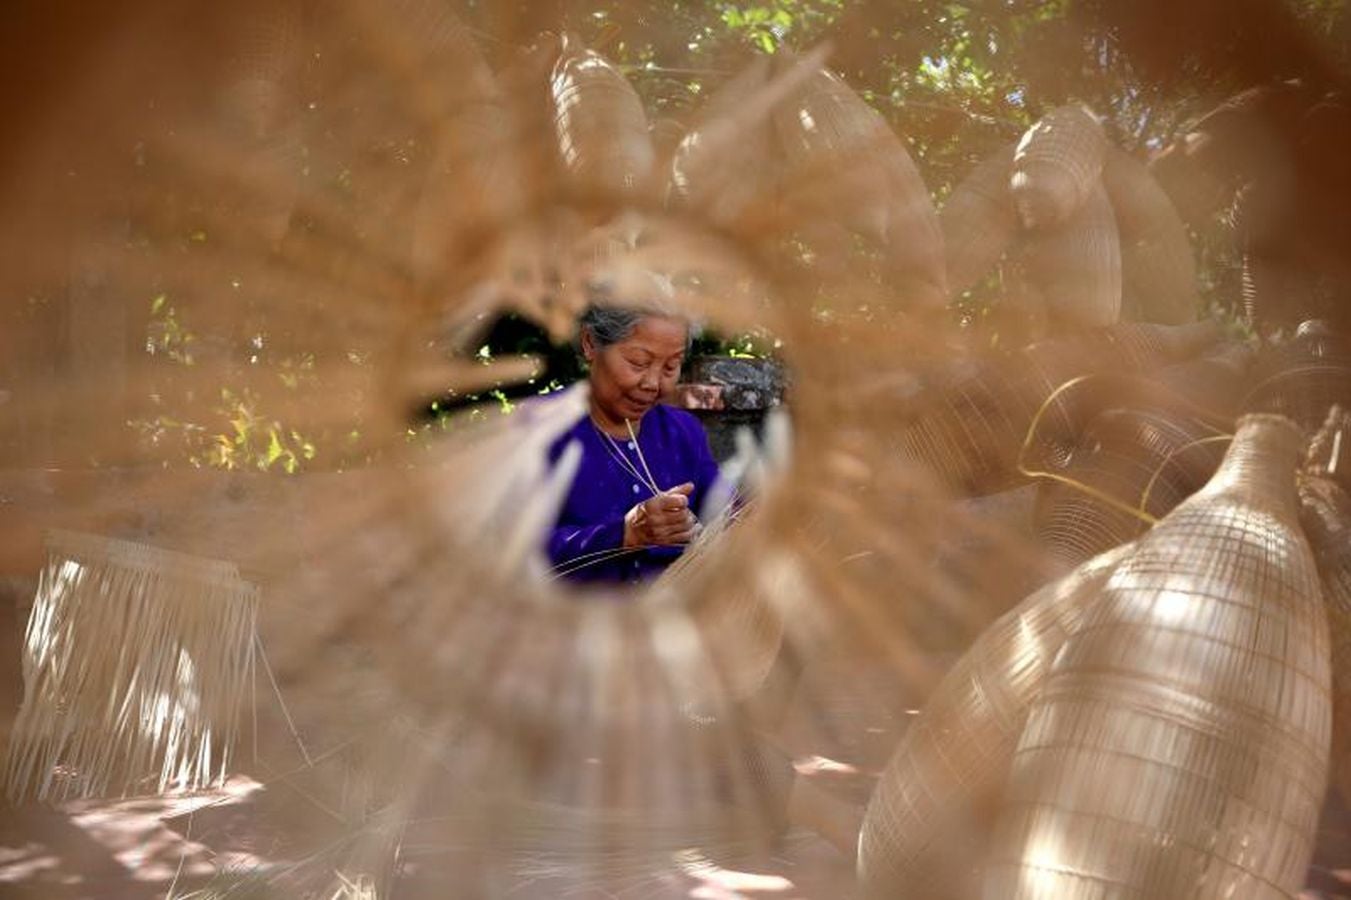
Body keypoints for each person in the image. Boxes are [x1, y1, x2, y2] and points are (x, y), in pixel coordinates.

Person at [545, 303, 721, 584]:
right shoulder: (540, 431)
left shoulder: (682, 431)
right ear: (590, 344)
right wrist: (623, 534)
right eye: (638, 362)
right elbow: (506, 548)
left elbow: (726, 509)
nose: (653, 383)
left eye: (671, 366)